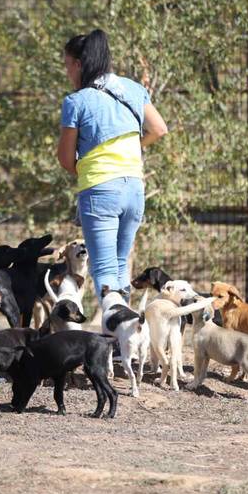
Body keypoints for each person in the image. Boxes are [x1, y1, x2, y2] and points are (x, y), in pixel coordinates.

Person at [56, 29, 169, 305]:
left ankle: (113, 341)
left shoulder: (76, 101)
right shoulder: (131, 88)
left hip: (100, 190)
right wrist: (130, 151)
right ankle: (124, 342)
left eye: (68, 66)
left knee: (104, 270)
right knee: (120, 266)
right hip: (134, 188)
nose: (68, 74)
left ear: (79, 64)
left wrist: (88, 171)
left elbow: (65, 158)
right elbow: (159, 128)